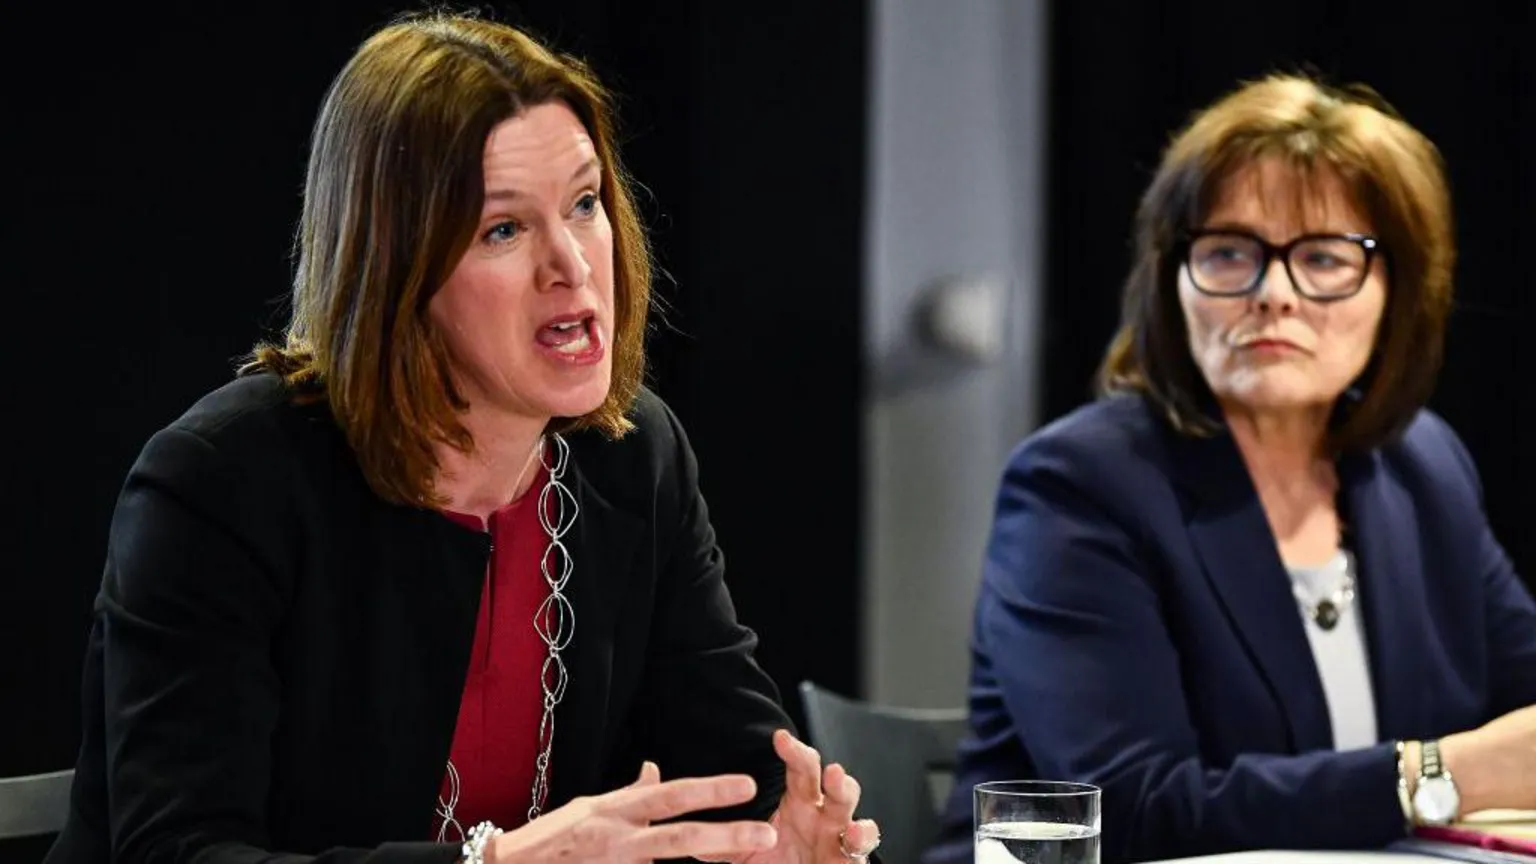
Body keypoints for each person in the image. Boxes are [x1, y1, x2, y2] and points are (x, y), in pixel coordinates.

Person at [46, 12, 881, 864]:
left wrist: (792, 838)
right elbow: (178, 851)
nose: (574, 264)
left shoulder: (633, 458)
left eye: (585, 203)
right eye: (503, 230)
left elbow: (737, 761)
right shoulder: (220, 484)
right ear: (396, 271)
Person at [927, 74, 1536, 864]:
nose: (1273, 293)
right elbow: (1130, 805)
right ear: (1171, 283)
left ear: (1400, 291)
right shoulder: (1080, 484)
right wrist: (1437, 773)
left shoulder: (1423, 467)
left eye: (1323, 257)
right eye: (1228, 253)